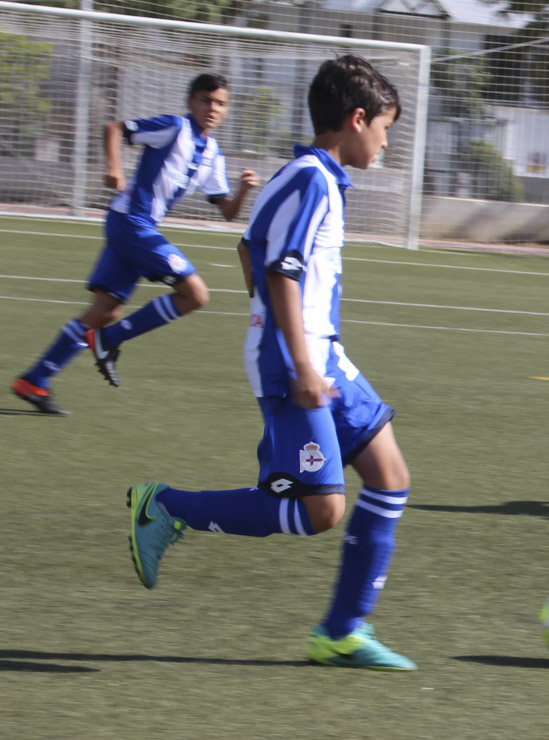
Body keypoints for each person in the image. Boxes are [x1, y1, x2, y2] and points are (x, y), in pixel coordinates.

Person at [125, 55, 415, 671]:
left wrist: (298, 337)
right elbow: (282, 270)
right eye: (384, 127)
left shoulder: (313, 178)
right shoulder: (311, 178)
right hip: (299, 360)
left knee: (389, 477)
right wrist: (301, 363)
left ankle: (341, 633)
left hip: (323, 352)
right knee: (321, 512)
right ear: (356, 118)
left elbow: (248, 249)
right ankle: (166, 507)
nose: (387, 142)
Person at [11, 73, 259, 414]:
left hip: (133, 226)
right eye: (205, 100)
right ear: (190, 102)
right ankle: (109, 341)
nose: (212, 108)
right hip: (131, 222)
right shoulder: (174, 127)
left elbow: (227, 211)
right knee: (195, 294)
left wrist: (244, 191)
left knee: (106, 311)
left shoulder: (213, 154)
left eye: (220, 103)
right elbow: (114, 128)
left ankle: (35, 380)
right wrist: (114, 166)